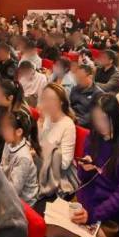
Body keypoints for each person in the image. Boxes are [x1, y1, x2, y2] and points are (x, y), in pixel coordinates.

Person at [47, 94, 119, 237]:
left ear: (115, 117)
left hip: (109, 219)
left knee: (49, 229)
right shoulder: (93, 138)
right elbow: (83, 178)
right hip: (83, 205)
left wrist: (92, 214)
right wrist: (86, 169)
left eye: (104, 119)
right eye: (96, 119)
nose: (100, 125)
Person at [36, 83, 78, 213]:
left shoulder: (68, 125)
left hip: (58, 178)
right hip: (42, 169)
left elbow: (64, 164)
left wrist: (47, 150)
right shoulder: (46, 118)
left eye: (51, 99)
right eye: (44, 99)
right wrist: (40, 124)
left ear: (61, 102)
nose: (46, 103)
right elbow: (39, 146)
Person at [0, 109, 40, 205]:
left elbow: (14, 191)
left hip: (25, 202)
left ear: (19, 132)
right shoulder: (8, 143)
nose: (2, 131)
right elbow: (2, 166)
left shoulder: (23, 157)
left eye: (6, 129)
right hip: (8, 189)